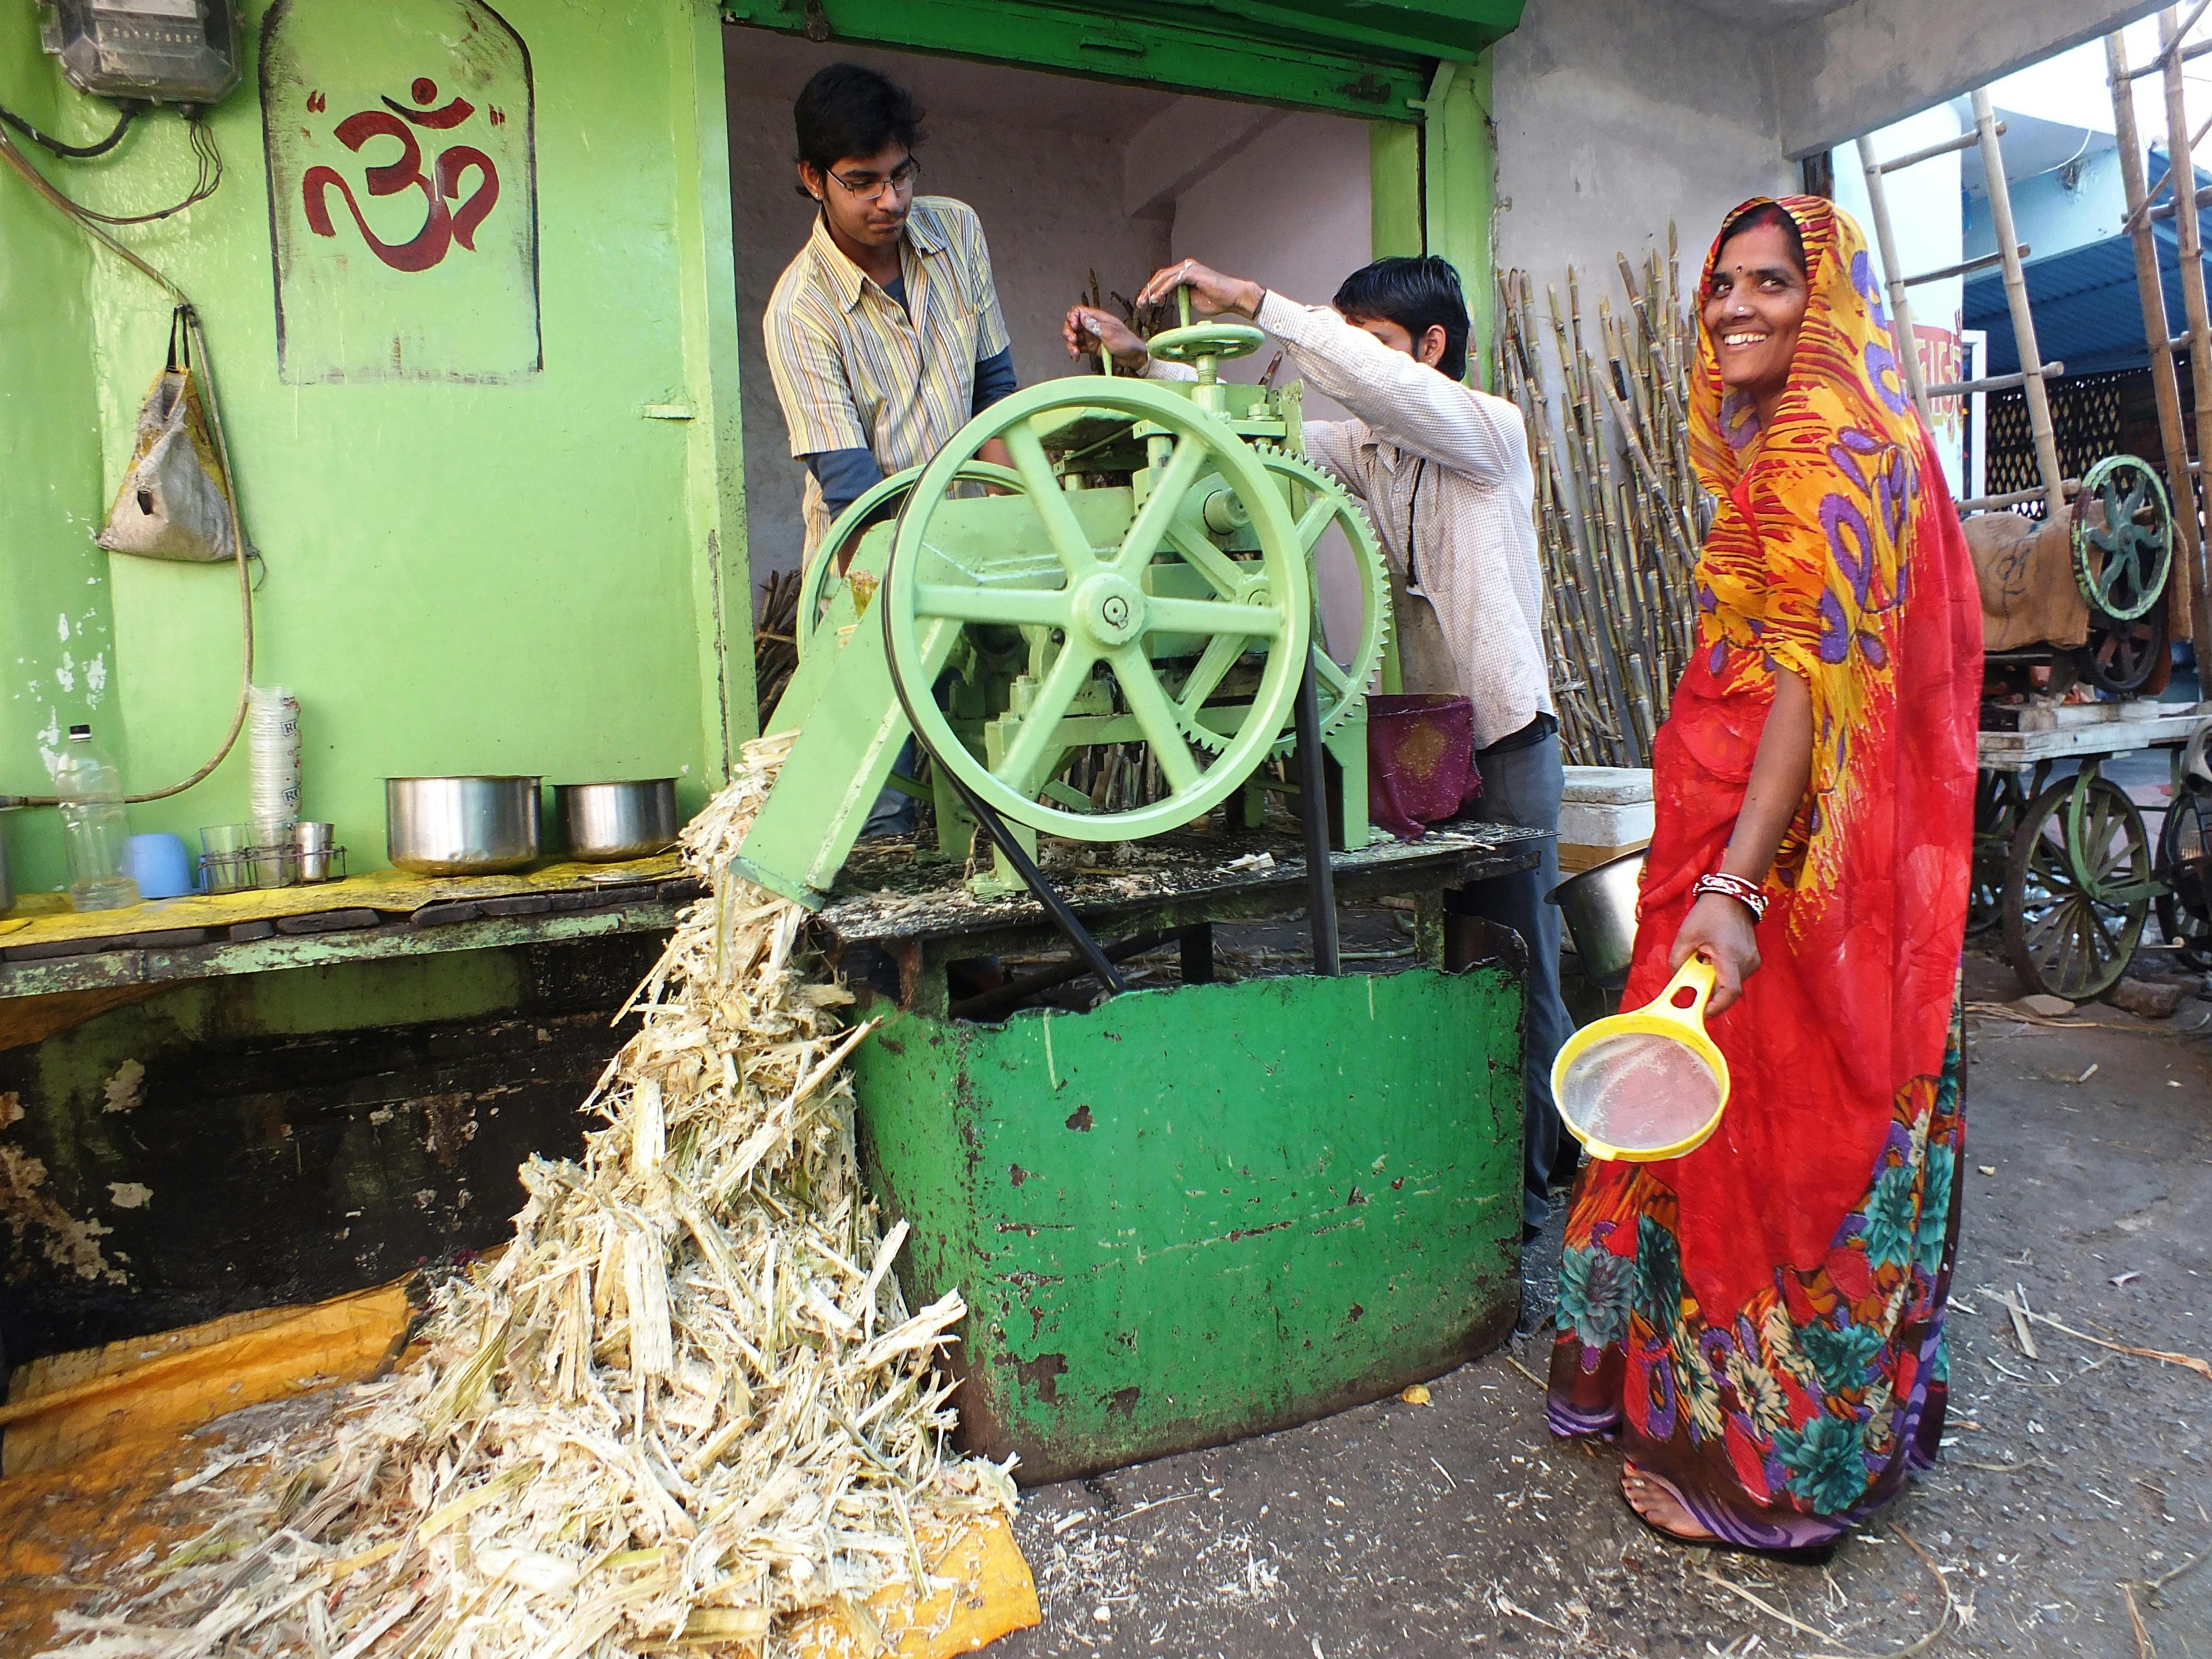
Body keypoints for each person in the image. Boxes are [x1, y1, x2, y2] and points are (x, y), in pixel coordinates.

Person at [1545, 197, 1981, 1558]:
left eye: (1771, 283)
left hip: (1785, 866)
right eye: (1721, 285)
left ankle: (1759, 1471)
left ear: (1827, 297)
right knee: (1750, 1125)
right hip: (1762, 844)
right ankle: (1768, 1428)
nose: (1734, 306)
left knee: (1773, 1132)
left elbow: (1811, 682)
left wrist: (1735, 893)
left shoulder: (1831, 440)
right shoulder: (1820, 436)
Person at [1064, 255, 1573, 1243]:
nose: (1353, 370)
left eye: (1374, 343)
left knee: (1523, 968)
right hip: (1428, 744)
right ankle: (1469, 1166)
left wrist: (1258, 305)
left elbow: (1364, 381)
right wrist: (1142, 363)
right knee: (1455, 964)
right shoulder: (1372, 452)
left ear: (1430, 348)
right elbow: (1262, 440)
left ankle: (1532, 1192)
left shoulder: (1488, 434)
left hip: (1509, 740)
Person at [764, 62, 1018, 831]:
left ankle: (982, 957)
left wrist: (1021, 532)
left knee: (987, 797)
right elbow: (854, 496)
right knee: (881, 812)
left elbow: (995, 395)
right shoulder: (800, 312)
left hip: (978, 558)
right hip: (872, 578)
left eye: (902, 175)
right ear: (814, 178)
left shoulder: (957, 231)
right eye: (863, 182)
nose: (892, 201)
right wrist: (932, 587)